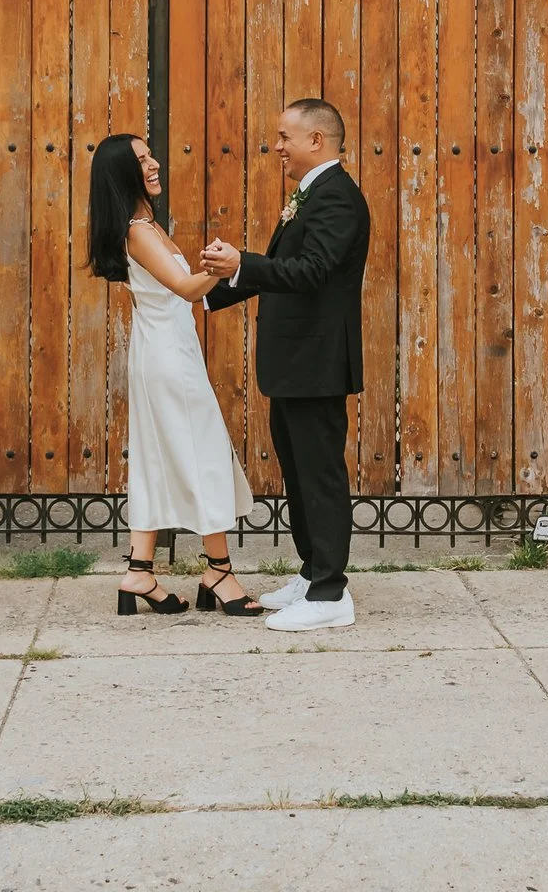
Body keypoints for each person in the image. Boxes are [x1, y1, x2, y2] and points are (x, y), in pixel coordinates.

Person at [197, 98, 371, 633]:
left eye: (284, 137)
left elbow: (311, 270)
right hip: (297, 362)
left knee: (319, 475)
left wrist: (242, 263)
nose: (277, 147)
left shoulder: (337, 197)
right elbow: (287, 268)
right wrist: (209, 289)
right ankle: (312, 571)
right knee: (298, 473)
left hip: (317, 362)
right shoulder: (313, 193)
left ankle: (330, 594)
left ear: (316, 140)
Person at [85, 132, 261, 617]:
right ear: (125, 173)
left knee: (157, 458)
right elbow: (186, 289)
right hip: (168, 358)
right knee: (203, 453)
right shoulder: (138, 230)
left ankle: (139, 572)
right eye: (143, 161)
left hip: (162, 351)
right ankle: (220, 573)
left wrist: (221, 269)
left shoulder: (143, 223)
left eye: (151, 155)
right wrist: (229, 266)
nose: (155, 163)